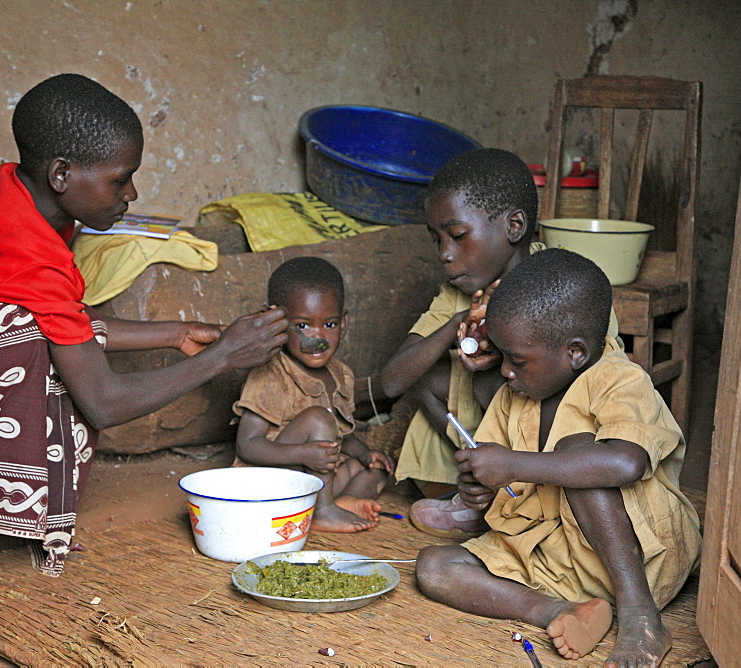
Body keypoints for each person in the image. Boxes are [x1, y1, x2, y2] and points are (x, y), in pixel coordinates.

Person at [0, 73, 289, 585]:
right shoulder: (23, 243)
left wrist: (175, 333)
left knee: (29, 326)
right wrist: (221, 357)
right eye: (121, 178)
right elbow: (103, 399)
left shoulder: (19, 196)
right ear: (60, 174)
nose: (131, 192)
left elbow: (66, 320)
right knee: (19, 333)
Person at [415, 249, 701, 667]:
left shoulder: (620, 381)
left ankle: (641, 618)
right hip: (556, 566)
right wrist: (480, 490)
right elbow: (505, 487)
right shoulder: (516, 395)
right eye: (503, 355)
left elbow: (625, 463)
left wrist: (512, 463)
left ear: (576, 353)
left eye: (518, 360)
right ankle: (559, 612)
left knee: (579, 454)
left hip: (640, 564)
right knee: (434, 566)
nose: (507, 371)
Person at [379, 148, 619, 538]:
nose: (444, 253)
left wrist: (504, 354)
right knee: (427, 375)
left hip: (551, 448)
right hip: (481, 447)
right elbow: (392, 382)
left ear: (514, 226)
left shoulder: (564, 285)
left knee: (509, 379)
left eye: (457, 235)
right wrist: (459, 323)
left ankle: (515, 493)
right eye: (436, 239)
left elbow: (597, 385)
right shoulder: (458, 295)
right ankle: (476, 478)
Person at [233, 257, 396, 533]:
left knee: (375, 470)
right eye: (303, 326)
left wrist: (365, 453)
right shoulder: (271, 375)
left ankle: (347, 501)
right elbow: (247, 446)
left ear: (344, 322)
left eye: (329, 325)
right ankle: (322, 511)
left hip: (314, 480)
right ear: (273, 320)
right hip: (272, 484)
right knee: (318, 419)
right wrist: (303, 453)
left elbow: (340, 435)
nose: (318, 338)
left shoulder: (341, 374)